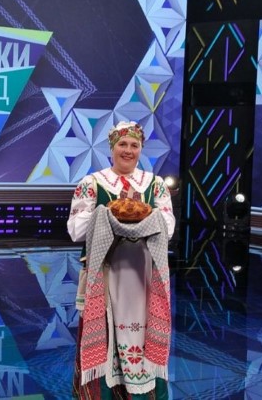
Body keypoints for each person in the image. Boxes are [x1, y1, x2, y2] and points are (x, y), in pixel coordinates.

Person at [67, 121, 176, 399]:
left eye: (134, 145)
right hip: (104, 276)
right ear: (111, 148)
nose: (128, 150)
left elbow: (168, 228)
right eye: (122, 144)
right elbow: (75, 230)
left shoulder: (155, 185)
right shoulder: (92, 183)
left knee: (142, 338)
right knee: (104, 339)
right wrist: (106, 215)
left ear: (141, 149)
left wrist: (143, 217)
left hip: (142, 277)